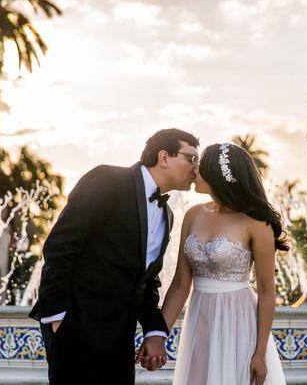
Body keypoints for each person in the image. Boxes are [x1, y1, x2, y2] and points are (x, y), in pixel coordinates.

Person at [28, 129, 200, 384]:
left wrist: (155, 330)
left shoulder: (168, 216)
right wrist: (57, 318)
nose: (196, 169)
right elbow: (60, 245)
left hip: (120, 341)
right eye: (192, 158)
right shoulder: (107, 180)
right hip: (75, 329)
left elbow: (146, 280)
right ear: (164, 157)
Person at [162, 143, 287, 385]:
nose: (195, 170)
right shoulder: (193, 215)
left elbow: (266, 292)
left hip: (238, 321)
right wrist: (159, 335)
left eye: (201, 165)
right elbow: (180, 284)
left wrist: (259, 353)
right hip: (199, 320)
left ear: (218, 175)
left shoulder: (257, 224)